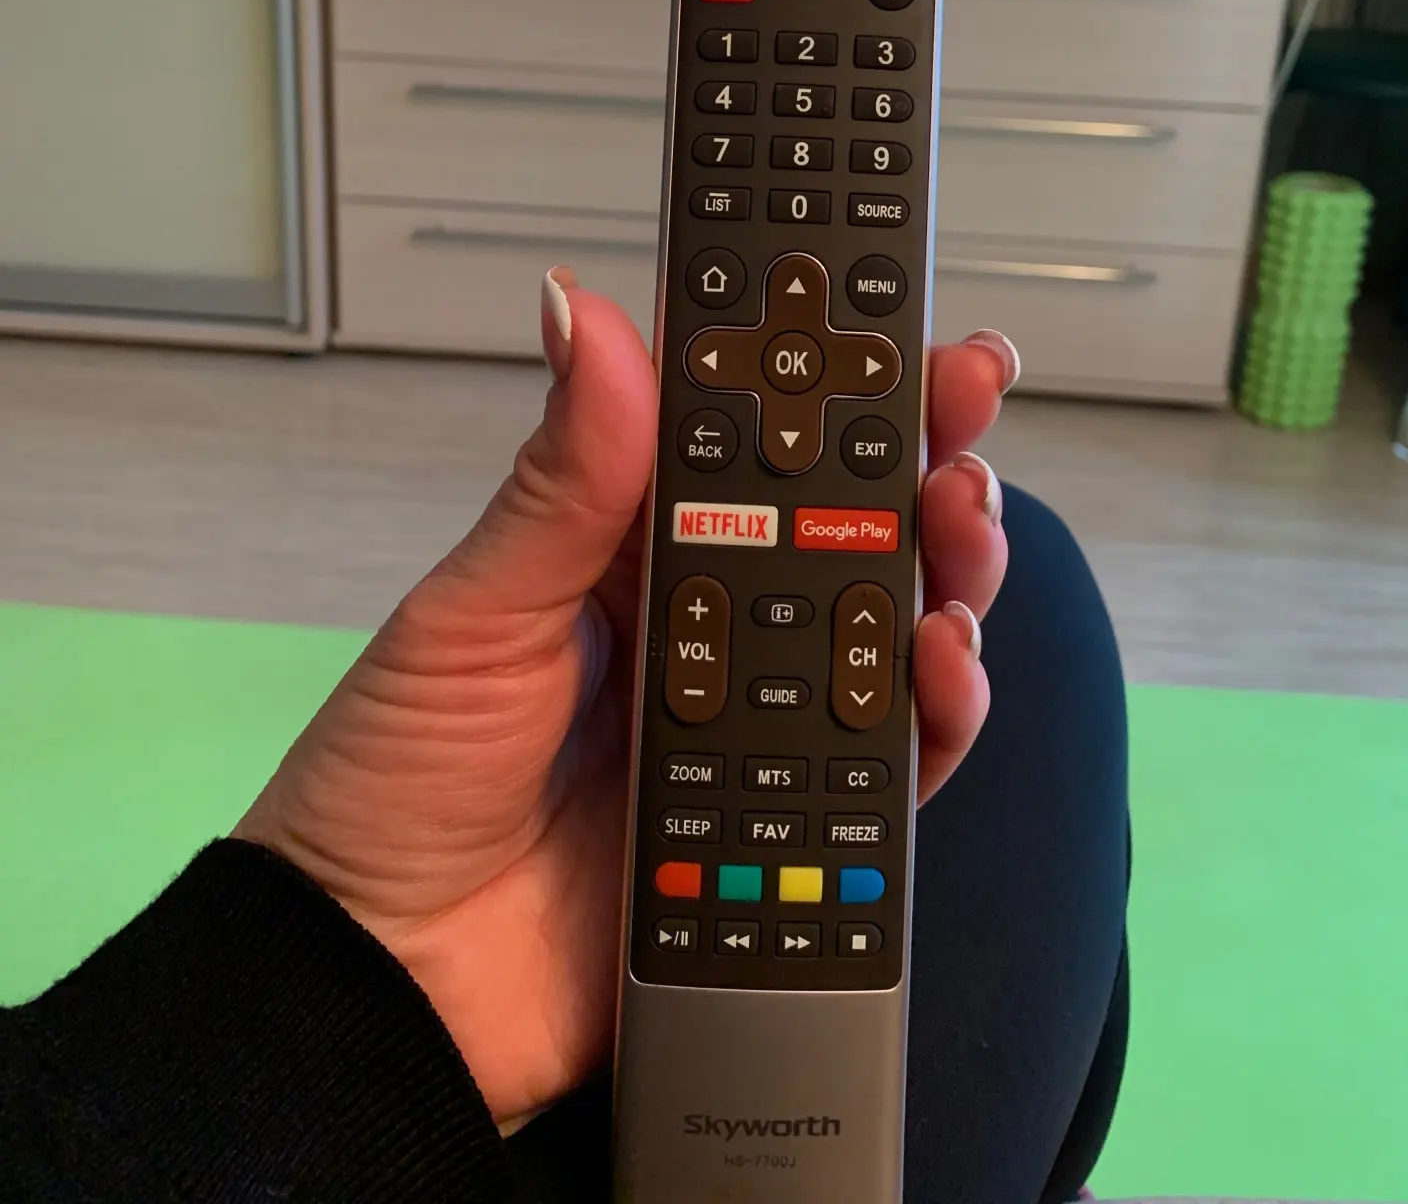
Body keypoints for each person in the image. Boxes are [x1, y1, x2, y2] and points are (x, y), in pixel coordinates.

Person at [0, 272, 1129, 1203]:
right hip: (164, 1113)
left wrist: (362, 945)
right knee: (1020, 596)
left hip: (193, 1106)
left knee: (976, 581)